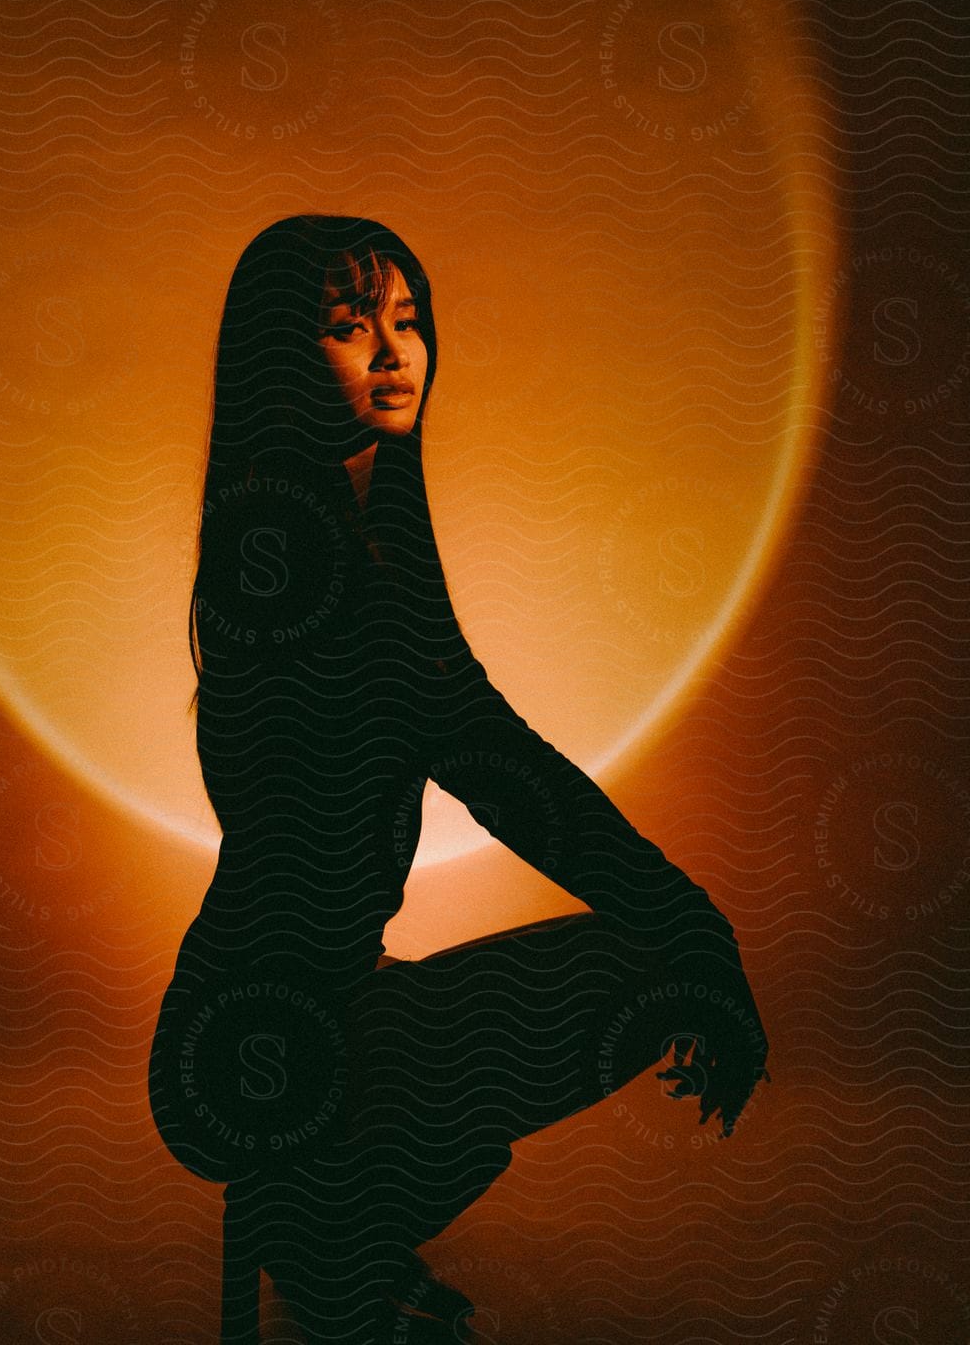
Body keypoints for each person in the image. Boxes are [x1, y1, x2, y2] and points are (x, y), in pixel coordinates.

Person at [148, 214, 770, 1343]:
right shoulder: (300, 560)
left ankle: (331, 1239)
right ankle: (327, 1250)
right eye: (349, 328)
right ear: (283, 357)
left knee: (604, 987)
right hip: (258, 1043)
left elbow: (479, 743)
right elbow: (499, 768)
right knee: (643, 965)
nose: (394, 352)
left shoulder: (321, 531)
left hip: (281, 1023)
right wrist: (693, 930)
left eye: (407, 321)